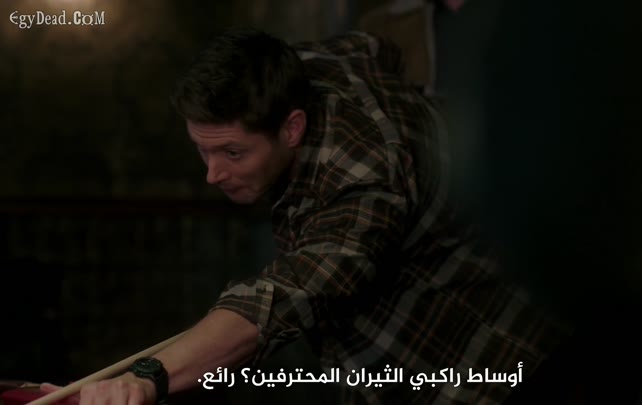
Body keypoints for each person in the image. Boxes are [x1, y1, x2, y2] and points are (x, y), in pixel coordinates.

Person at [42, 27, 570, 404]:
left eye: (231, 153)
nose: (212, 174)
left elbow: (277, 301)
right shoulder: (307, 68)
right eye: (202, 150)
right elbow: (375, 47)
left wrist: (147, 376)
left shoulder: (364, 182)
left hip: (483, 364)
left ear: (292, 129)